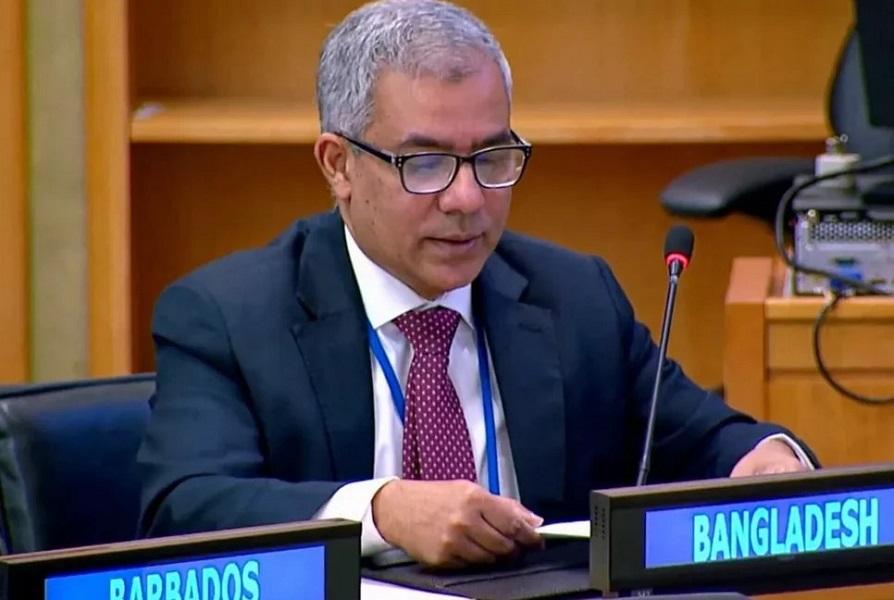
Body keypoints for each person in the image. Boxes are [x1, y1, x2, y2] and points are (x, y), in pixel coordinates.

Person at [136, 0, 818, 569]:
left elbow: (710, 442)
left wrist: (768, 460)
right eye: (425, 163)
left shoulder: (574, 297)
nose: (466, 199)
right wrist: (382, 510)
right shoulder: (228, 317)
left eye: (492, 157)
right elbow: (183, 508)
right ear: (338, 165)